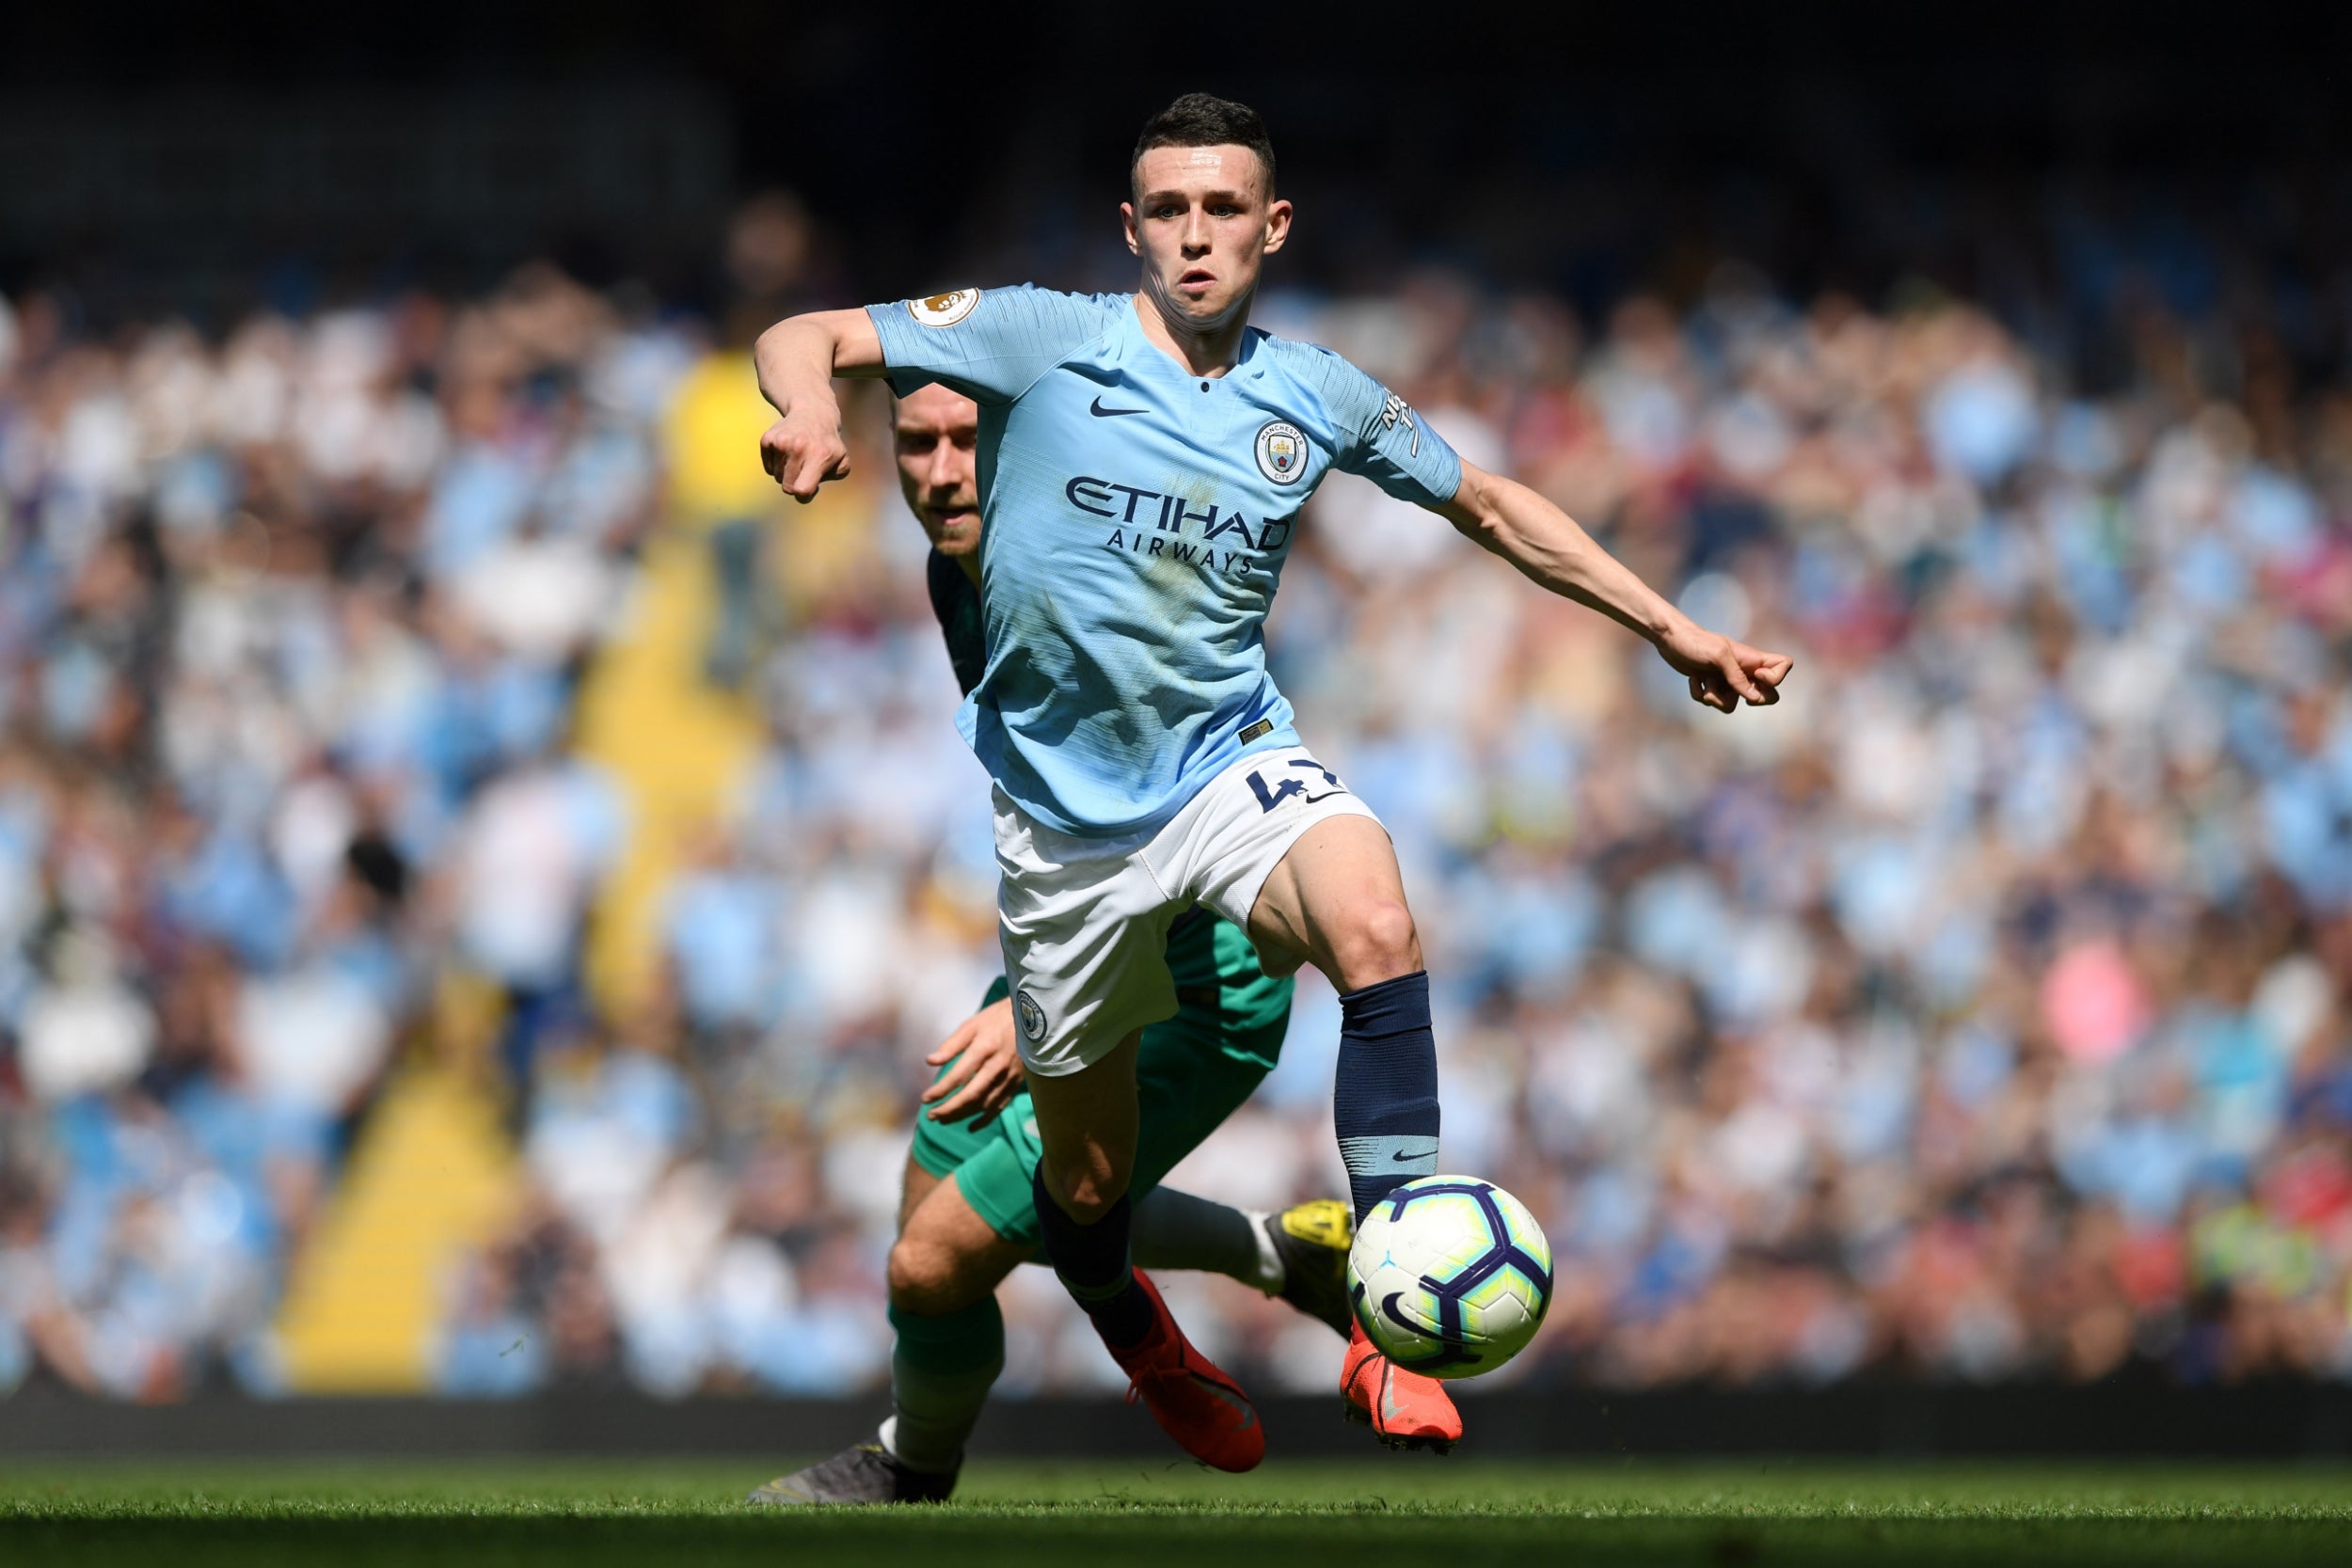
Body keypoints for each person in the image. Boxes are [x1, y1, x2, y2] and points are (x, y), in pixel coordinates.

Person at [753, 93, 1790, 1469]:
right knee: (1079, 1188)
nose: (1194, 236)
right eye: (1168, 211)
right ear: (1131, 228)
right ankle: (1160, 1336)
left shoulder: (1314, 392)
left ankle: (1386, 1280)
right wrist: (811, 400)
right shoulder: (1041, 339)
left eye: (1222, 208)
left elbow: (1486, 500)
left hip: (1232, 771)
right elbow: (804, 330)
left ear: (1271, 226)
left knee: (1375, 919)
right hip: (1071, 851)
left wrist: (1670, 624)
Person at [747, 382, 1353, 1506]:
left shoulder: (1094, 592)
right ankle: (1280, 1252)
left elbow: (1183, 813)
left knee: (932, 1262)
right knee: (931, 1217)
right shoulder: (960, 571)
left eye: (966, 444)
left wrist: (1043, 1014)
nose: (938, 472)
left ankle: (909, 1473)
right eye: (914, 444)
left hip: (1189, 978)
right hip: (1079, 936)